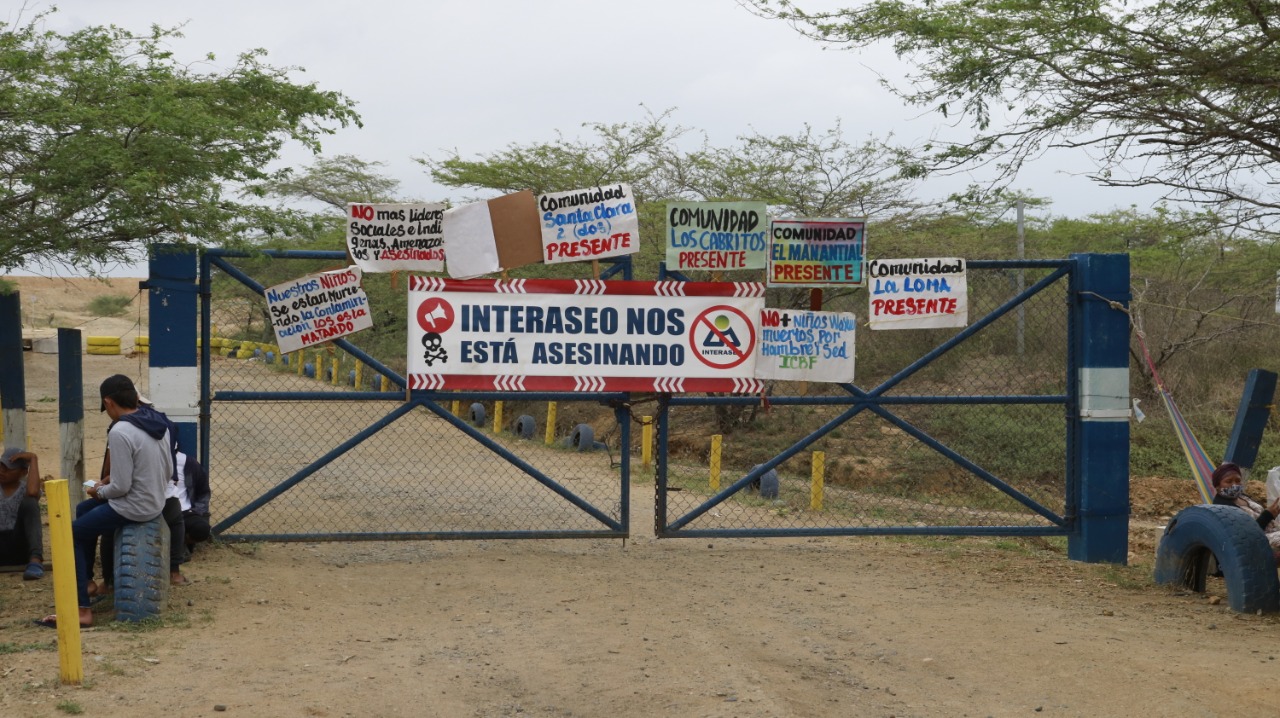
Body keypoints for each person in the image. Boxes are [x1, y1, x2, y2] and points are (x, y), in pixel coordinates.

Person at [37, 375, 173, 629]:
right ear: (135, 397)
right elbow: (163, 468)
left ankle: (81, 611)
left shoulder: (121, 430)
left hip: (134, 506)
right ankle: (86, 581)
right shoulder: (157, 422)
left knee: (73, 534)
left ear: (109, 402)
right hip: (154, 499)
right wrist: (111, 485)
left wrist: (100, 490)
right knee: (83, 509)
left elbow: (121, 487)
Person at [1211, 461, 1280, 563]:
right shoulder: (1222, 508)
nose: (1234, 485)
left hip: (1274, 533)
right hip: (1254, 543)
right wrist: (1267, 515)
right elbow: (1244, 536)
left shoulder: (1244, 497)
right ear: (1217, 486)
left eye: (1237, 480)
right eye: (1229, 481)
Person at [164, 450, 211, 585]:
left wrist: (198, 511)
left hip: (184, 511)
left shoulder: (187, 462)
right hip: (160, 509)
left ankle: (183, 544)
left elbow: (203, 491)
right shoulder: (151, 457)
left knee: (202, 529)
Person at [0, 448, 44, 580]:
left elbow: (32, 493)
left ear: (23, 472)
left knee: (30, 503)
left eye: (8, 469)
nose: (2, 472)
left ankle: (35, 560)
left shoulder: (26, 488)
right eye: (1, 467)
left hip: (19, 546)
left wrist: (33, 459)